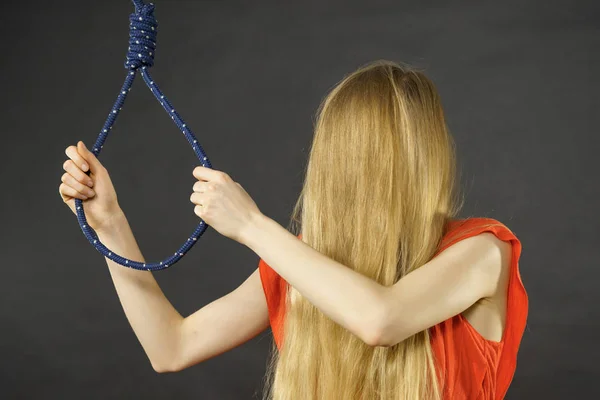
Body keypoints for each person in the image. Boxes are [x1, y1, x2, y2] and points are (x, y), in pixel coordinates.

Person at [59, 59, 528, 400]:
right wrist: (110, 224)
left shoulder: (481, 253)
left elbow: (380, 320)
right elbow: (172, 347)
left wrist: (250, 225)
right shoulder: (302, 264)